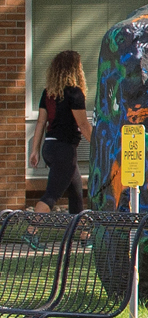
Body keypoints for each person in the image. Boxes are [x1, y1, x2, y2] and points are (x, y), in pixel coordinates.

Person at [31, 50, 87, 214]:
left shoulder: (48, 93)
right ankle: (30, 231)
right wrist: (101, 147)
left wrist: (35, 150)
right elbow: (83, 125)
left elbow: (41, 122)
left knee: (76, 194)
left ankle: (82, 237)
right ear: (74, 69)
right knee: (51, 196)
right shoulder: (75, 93)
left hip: (49, 148)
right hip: (64, 150)